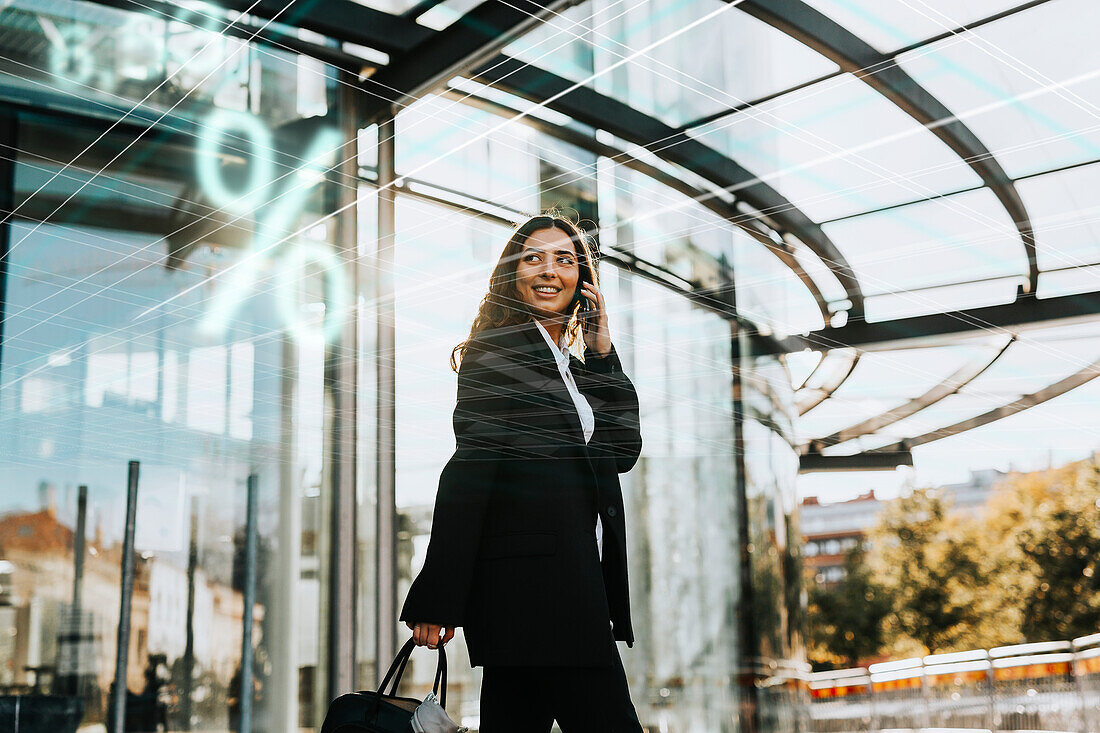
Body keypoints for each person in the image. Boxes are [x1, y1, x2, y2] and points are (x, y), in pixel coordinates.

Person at [399, 213, 644, 731]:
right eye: (533, 257)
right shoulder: (497, 354)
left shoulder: (571, 369)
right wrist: (439, 596)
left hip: (559, 594)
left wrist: (602, 353)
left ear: (583, 280)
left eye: (564, 259)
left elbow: (622, 449)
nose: (548, 270)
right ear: (512, 274)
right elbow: (470, 470)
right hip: (543, 596)